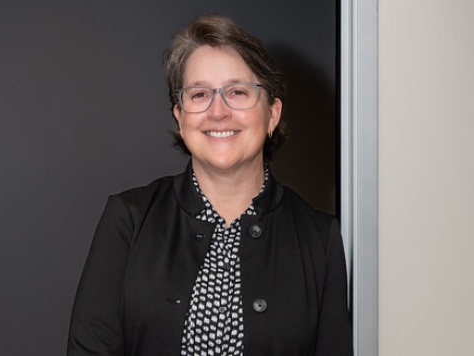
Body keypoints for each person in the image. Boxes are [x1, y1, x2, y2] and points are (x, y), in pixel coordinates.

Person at [67, 14, 353, 356]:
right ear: (179, 114)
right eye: (200, 94)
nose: (218, 111)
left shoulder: (321, 241)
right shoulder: (128, 219)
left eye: (237, 92)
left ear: (272, 114)